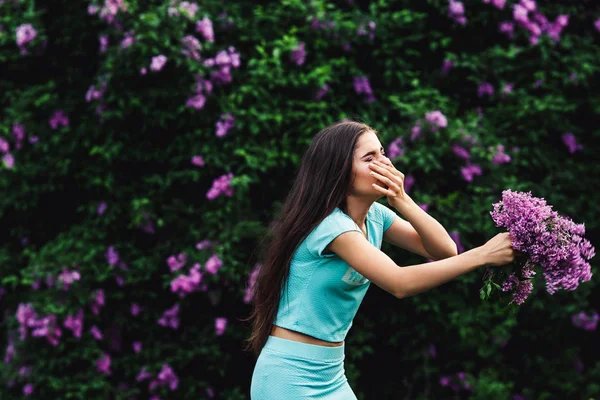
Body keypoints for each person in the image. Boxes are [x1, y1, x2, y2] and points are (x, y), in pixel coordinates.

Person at [244, 119, 516, 399]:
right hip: (289, 375)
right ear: (340, 172)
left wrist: (403, 201)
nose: (384, 163)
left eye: (383, 152)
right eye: (369, 157)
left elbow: (444, 250)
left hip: (331, 372)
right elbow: (399, 283)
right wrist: (483, 255)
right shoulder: (332, 228)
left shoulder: (375, 216)